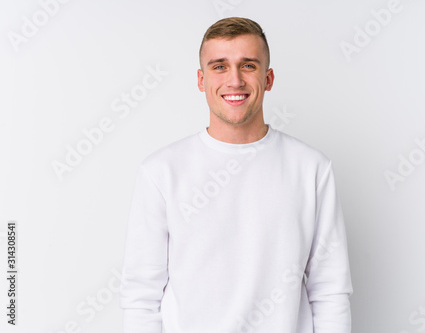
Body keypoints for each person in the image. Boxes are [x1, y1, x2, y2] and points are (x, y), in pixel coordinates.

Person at [119, 17, 353, 333]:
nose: (235, 81)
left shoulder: (311, 168)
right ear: (201, 80)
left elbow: (330, 290)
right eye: (219, 66)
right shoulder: (161, 172)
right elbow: (141, 296)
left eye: (248, 66)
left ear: (268, 78)